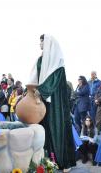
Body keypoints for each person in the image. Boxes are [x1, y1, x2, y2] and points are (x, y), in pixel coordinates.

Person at [29, 34, 76, 171]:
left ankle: (62, 161)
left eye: (42, 42)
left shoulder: (58, 63)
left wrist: (42, 90)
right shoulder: (40, 60)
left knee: (56, 129)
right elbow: (34, 77)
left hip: (55, 102)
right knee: (43, 130)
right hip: (41, 100)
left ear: (49, 44)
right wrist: (31, 89)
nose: (40, 44)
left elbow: (52, 82)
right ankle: (46, 160)